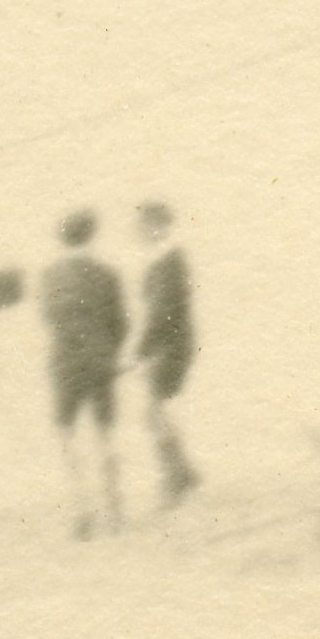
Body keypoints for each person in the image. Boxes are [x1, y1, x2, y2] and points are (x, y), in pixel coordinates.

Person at [35, 209, 131, 535]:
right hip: (101, 360)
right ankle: (114, 509)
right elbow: (122, 323)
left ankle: (82, 510)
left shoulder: (49, 276)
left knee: (67, 434)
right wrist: (110, 351)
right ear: (92, 235)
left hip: (65, 361)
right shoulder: (108, 275)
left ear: (62, 238)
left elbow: (47, 318)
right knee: (105, 432)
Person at [130, 201, 203, 510]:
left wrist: (140, 349)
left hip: (170, 344)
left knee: (154, 412)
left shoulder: (169, 261)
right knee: (156, 412)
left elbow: (161, 313)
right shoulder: (165, 260)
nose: (138, 231)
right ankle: (183, 473)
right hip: (169, 343)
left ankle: (176, 478)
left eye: (144, 225)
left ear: (158, 226)